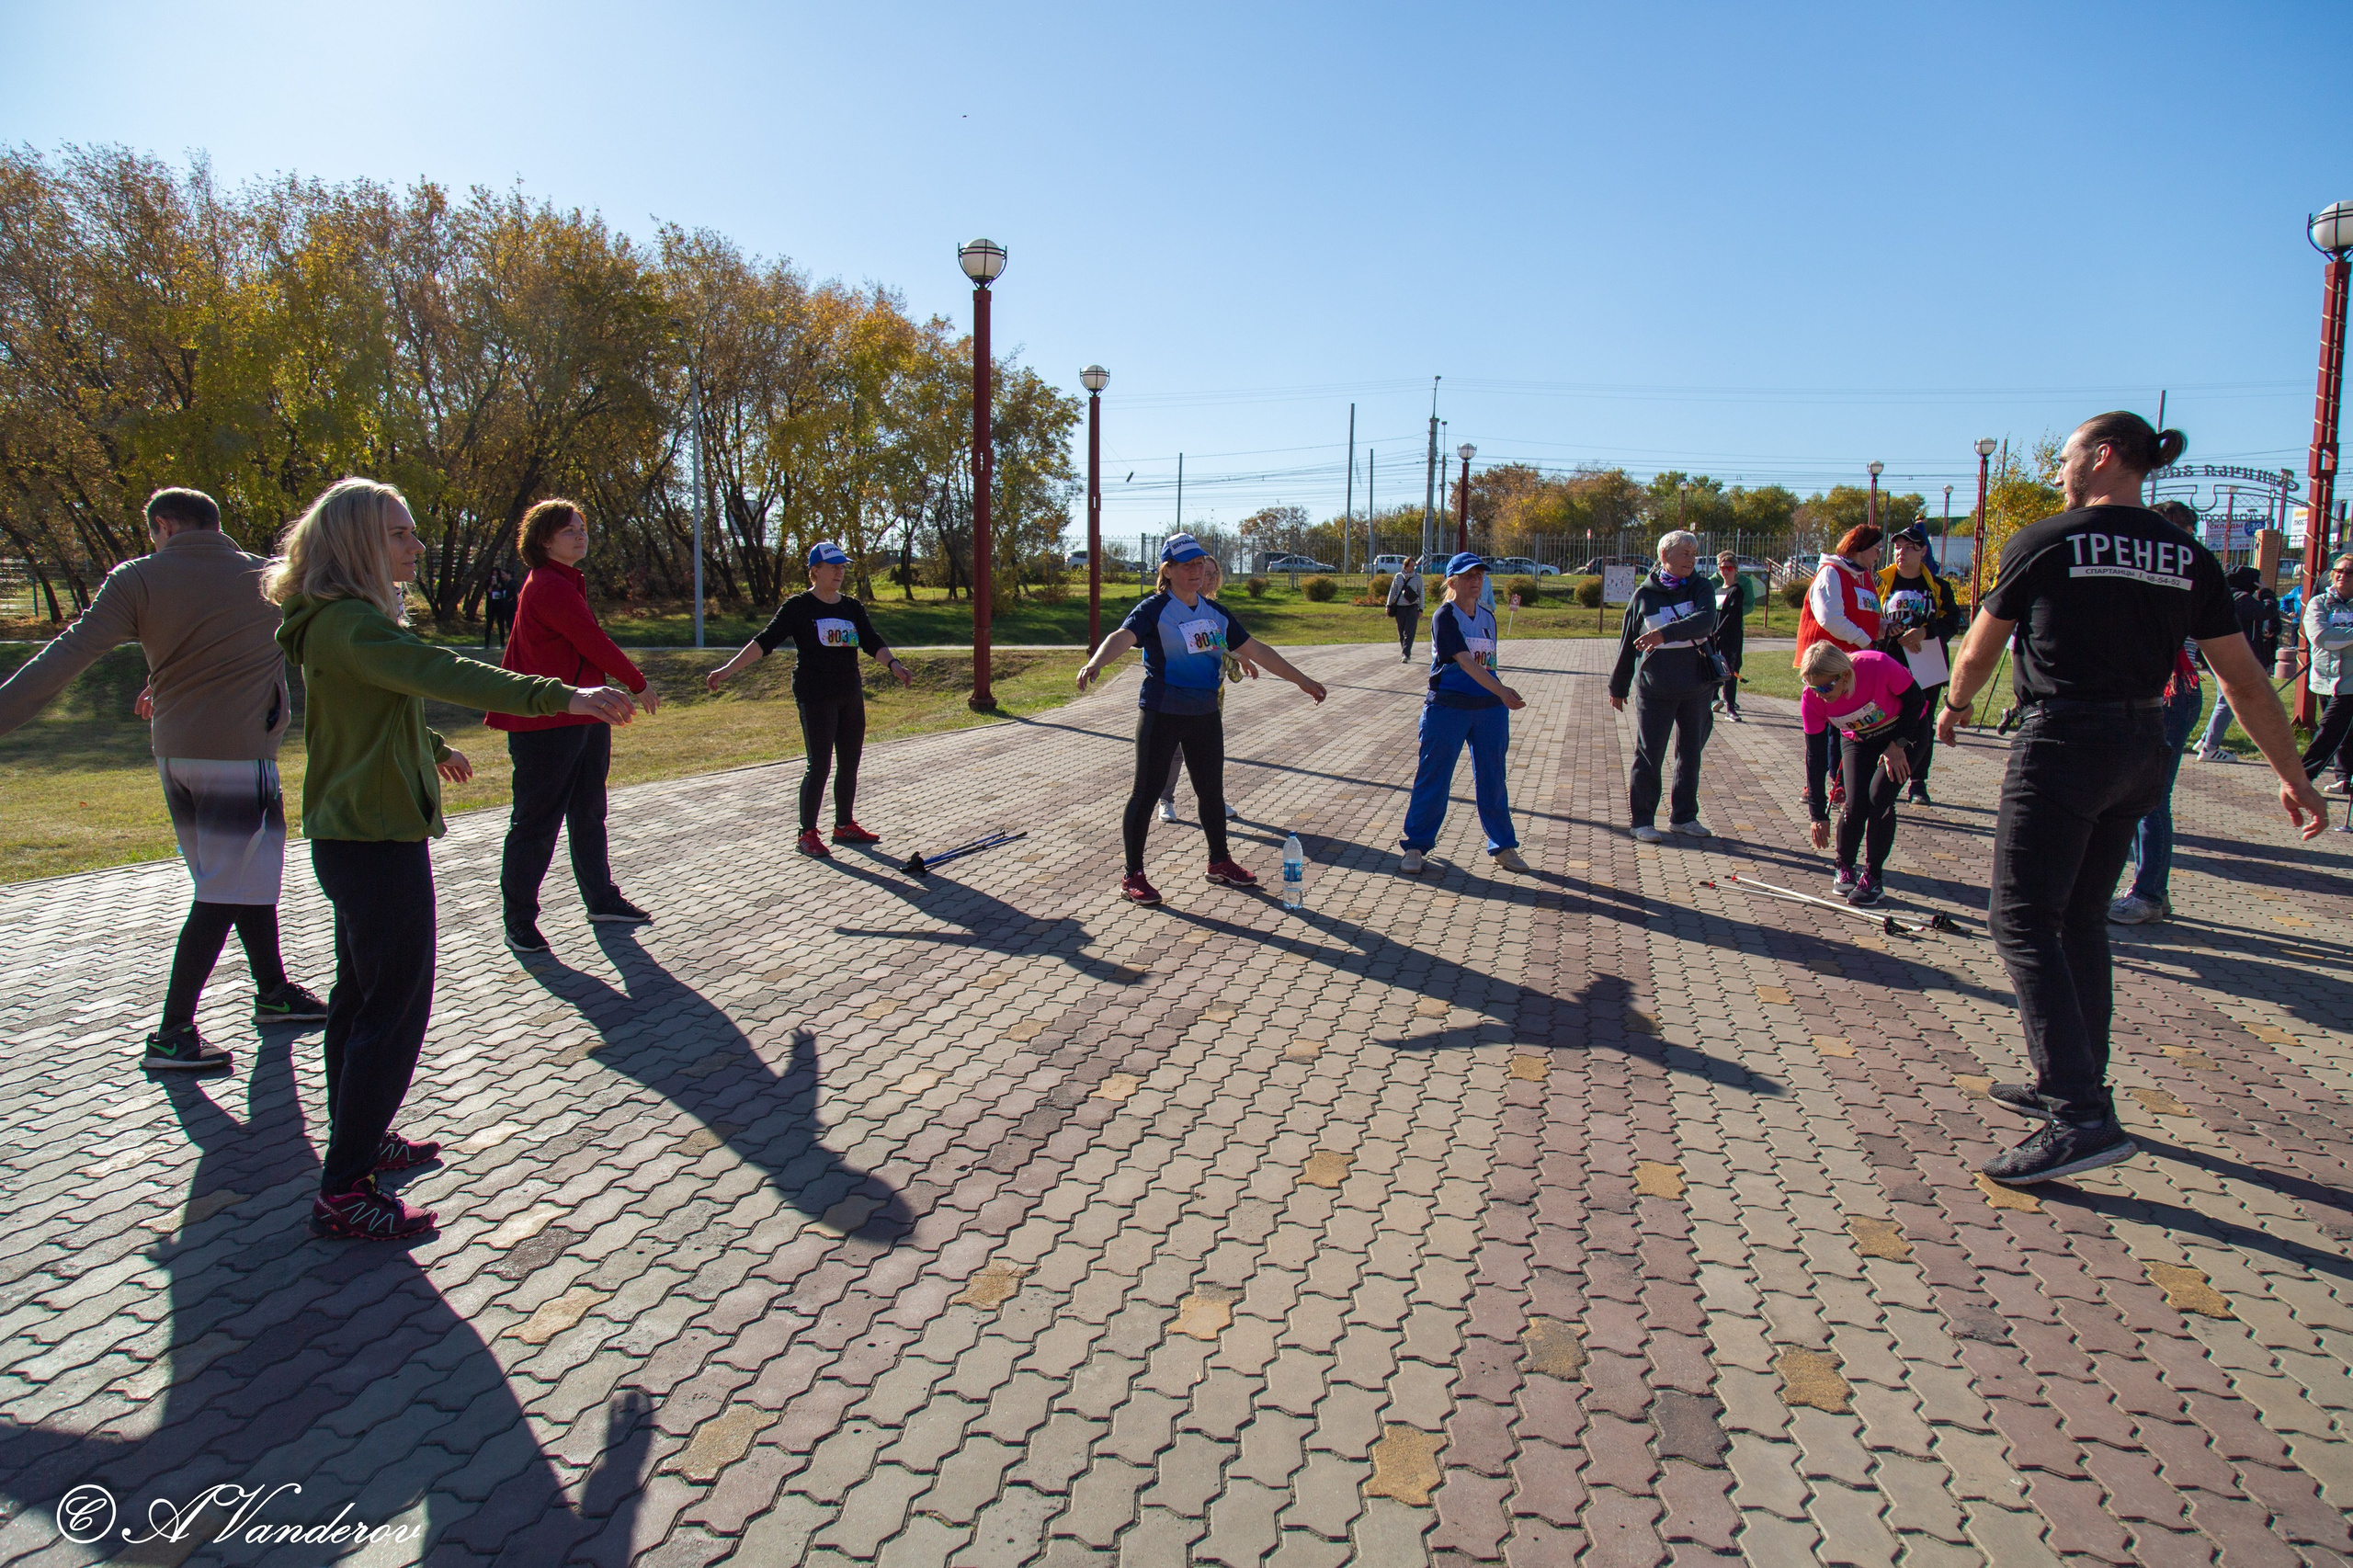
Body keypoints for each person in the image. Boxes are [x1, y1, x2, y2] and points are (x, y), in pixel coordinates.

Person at [1935, 413, 2325, 1185]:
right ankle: (2075, 1076)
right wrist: (2293, 775)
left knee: (2020, 920)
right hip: (2144, 744)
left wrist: (1955, 705)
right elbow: (2243, 680)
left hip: (2064, 742)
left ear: (2104, 455)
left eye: (2067, 457)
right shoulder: (2187, 554)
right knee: (2080, 918)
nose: (2059, 472)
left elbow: (1980, 646)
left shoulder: (2049, 540)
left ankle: (2080, 1116)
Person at [267, 477, 640, 1238]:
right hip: (372, 842)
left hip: (359, 835)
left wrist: (432, 746)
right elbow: (444, 672)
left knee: (361, 999)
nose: (417, 545)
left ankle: (358, 1141)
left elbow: (384, 698)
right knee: (393, 1009)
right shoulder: (349, 624)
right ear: (358, 544)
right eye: (399, 534)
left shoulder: (346, 623)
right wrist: (564, 696)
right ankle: (344, 1190)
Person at [0, 488, 326, 1074]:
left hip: (177, 756)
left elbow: (68, 653)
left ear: (165, 526)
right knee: (226, 887)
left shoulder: (137, 578)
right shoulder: (269, 577)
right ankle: (172, 1034)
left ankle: (274, 992)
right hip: (239, 755)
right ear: (213, 524)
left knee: (243, 875)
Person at [1074, 533, 1327, 905]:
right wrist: (1097, 662)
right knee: (1146, 793)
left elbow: (1257, 649)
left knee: (1211, 792)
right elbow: (1123, 636)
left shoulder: (1215, 613)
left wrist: (1301, 680)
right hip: (1162, 711)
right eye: (1186, 565)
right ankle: (1133, 876)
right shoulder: (1154, 609)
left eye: (1199, 564)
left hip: (1204, 713)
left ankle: (1219, 862)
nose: (1195, 571)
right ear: (1168, 570)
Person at [492, 499, 660, 954]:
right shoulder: (548, 584)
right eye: (569, 530)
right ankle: (518, 920)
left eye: (582, 527)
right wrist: (638, 683)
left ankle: (601, 900)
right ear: (544, 540)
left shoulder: (567, 581)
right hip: (546, 723)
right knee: (536, 823)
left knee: (588, 812)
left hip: (587, 714)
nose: (580, 535)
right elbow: (592, 641)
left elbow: (586, 646)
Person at [705, 540, 914, 858]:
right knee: (820, 764)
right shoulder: (799, 607)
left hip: (849, 692)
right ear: (815, 571)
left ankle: (844, 825)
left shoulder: (851, 607)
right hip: (815, 695)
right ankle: (807, 833)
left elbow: (871, 640)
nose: (839, 572)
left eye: (842, 567)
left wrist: (894, 665)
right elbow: (765, 641)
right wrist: (727, 670)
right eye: (833, 567)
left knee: (850, 761)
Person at [1399, 552, 1529, 874]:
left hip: (1489, 711)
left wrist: (1497, 695)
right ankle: (1416, 845)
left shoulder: (1488, 616)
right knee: (1434, 777)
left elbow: (1488, 664)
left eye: (1480, 575)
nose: (1476, 581)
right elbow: (1466, 662)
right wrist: (1503, 691)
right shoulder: (1444, 616)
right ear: (1452, 581)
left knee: (1493, 779)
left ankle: (1503, 846)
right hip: (1448, 708)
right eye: (1469, 575)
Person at [1608, 529, 1721, 843]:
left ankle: (1684, 817)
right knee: (1649, 755)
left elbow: (1705, 621)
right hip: (1655, 689)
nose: (1691, 559)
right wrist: (1618, 686)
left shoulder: (1701, 587)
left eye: (1694, 554)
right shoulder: (1644, 595)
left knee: (1690, 754)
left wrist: (1663, 634)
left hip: (1696, 687)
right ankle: (1642, 820)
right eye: (1684, 553)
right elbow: (1627, 643)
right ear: (1664, 556)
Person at [1798, 642, 1928, 906]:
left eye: (1825, 688)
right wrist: (1817, 814)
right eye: (1813, 688)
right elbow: (1815, 756)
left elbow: (1917, 702)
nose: (1820, 695)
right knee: (1855, 802)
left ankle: (1873, 878)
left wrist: (1898, 745)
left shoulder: (1877, 665)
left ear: (1845, 675)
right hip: (1859, 738)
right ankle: (1844, 866)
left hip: (1906, 732)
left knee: (1879, 797)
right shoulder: (1812, 699)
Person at [1797, 524, 1884, 809]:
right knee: (1825, 726)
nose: (1879, 554)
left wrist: (1885, 627)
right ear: (1859, 548)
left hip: (1854, 662)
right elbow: (1830, 618)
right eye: (1876, 548)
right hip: (1827, 664)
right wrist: (1865, 639)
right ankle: (1816, 786)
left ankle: (1840, 783)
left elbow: (1865, 616)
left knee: (1848, 723)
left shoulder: (1865, 577)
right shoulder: (1831, 573)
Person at [1876, 522, 1962, 804]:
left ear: (1923, 551)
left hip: (1926, 665)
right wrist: (1888, 629)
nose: (1901, 553)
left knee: (1922, 722)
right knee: (1886, 719)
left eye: (1908, 547)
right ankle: (1882, 777)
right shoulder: (1882, 583)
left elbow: (1953, 622)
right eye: (1897, 547)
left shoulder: (1938, 587)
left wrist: (1925, 632)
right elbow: (1869, 617)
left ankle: (1917, 783)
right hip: (1890, 663)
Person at [1157, 554, 1245, 824]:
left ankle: (1213, 800)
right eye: (1206, 572)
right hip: (1176, 695)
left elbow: (1222, 644)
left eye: (1214, 573)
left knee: (1209, 751)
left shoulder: (1215, 612)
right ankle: (1165, 800)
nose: (1210, 578)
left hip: (1212, 692)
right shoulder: (1174, 609)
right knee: (1174, 751)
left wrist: (1243, 659)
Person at [2194, 562, 2280, 761]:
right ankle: (2210, 748)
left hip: (2215, 653)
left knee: (2224, 698)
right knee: (2230, 700)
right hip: (2229, 656)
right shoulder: (2240, 597)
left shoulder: (2223, 596)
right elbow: (2266, 612)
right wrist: (2267, 593)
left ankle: (2205, 739)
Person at [2297, 554, 2353, 796]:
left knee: (2329, 730)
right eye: (2338, 571)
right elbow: (2321, 637)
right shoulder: (2319, 603)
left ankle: (2299, 778)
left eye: (2349, 572)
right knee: (2345, 732)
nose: (2342, 576)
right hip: (2324, 678)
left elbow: (2332, 636)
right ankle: (2344, 778)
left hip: (2350, 682)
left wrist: (2340, 636)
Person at [1711, 551, 1747, 722]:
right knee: (1713, 668)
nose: (1725, 571)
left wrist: (1717, 632)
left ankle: (1731, 708)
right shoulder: (1718, 590)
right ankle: (1713, 699)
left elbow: (1730, 616)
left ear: (1735, 570)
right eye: (1722, 568)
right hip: (1715, 637)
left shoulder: (1736, 590)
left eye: (1729, 568)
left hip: (1730, 638)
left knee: (1730, 671)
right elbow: (1715, 614)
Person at [1385, 556, 1426, 662]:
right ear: (1405, 566)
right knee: (1401, 632)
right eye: (1411, 566)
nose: (1413, 568)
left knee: (1409, 632)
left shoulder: (1418, 578)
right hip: (1400, 608)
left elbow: (1421, 593)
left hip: (1412, 608)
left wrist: (1421, 609)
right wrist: (1388, 605)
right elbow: (1392, 591)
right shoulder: (1398, 577)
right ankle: (1404, 650)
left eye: (1414, 566)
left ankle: (1406, 654)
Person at [482, 565, 517, 649]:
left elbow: (506, 592)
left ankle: (502, 643)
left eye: (497, 574)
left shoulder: (502, 582)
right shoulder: (488, 581)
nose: (495, 576)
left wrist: (499, 585)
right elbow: (488, 591)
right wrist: (492, 584)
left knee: (501, 624)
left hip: (500, 604)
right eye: (493, 574)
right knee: (489, 624)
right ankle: (486, 643)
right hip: (491, 604)